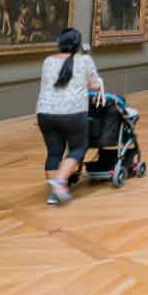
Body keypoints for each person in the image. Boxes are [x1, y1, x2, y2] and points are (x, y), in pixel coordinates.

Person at [35, 28, 102, 205]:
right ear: (78, 44)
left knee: (54, 152)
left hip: (45, 113)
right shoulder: (85, 60)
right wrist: (92, 84)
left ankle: (53, 194)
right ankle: (60, 181)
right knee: (78, 148)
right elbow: (94, 86)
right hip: (73, 113)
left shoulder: (48, 61)